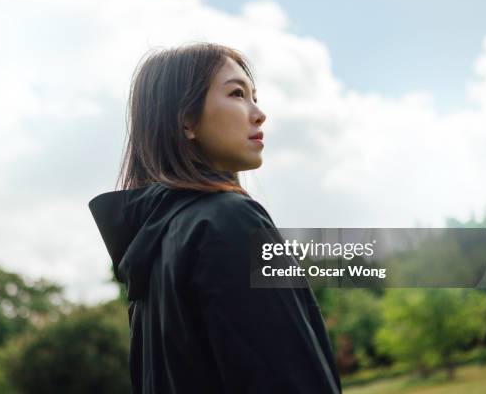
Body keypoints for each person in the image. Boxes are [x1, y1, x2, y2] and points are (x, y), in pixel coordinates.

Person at [89, 42, 342, 393]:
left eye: (255, 96)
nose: (258, 113)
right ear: (187, 121)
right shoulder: (228, 221)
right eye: (237, 94)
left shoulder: (151, 249)